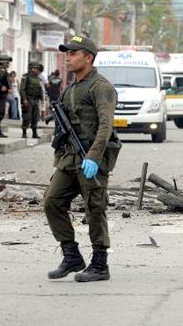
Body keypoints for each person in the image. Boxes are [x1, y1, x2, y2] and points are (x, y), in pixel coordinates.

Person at [44, 35, 121, 283]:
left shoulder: (102, 87)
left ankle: (100, 264)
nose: (68, 58)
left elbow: (106, 126)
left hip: (91, 159)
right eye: (67, 53)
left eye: (73, 53)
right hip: (70, 159)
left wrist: (95, 156)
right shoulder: (71, 88)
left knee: (95, 208)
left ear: (88, 57)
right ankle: (71, 255)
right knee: (52, 201)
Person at [20, 62, 43, 138]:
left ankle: (34, 133)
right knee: (27, 116)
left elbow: (40, 88)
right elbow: (22, 89)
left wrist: (42, 98)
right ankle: (24, 132)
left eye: (37, 68)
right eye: (35, 68)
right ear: (31, 68)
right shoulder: (26, 77)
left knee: (35, 117)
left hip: (36, 100)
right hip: (28, 99)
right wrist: (24, 99)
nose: (37, 69)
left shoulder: (37, 78)